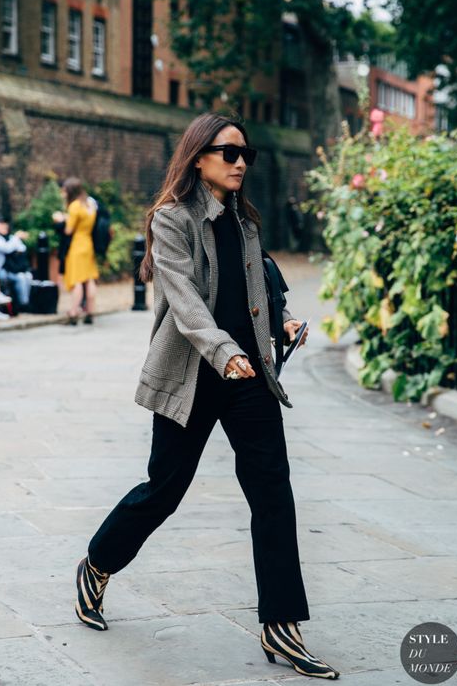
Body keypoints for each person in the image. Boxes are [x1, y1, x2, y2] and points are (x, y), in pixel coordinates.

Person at [75, 113, 340, 680]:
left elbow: (258, 283)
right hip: (195, 375)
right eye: (228, 152)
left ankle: (281, 624)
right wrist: (224, 352)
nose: (240, 162)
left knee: (273, 494)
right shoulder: (171, 220)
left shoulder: (244, 220)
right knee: (164, 491)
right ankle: (97, 565)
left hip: (251, 380)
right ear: (199, 157)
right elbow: (187, 300)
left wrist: (284, 318)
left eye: (245, 154)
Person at [52, 178, 98, 325]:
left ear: (70, 191)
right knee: (89, 279)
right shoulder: (89, 204)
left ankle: (73, 313)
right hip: (88, 244)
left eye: (64, 190)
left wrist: (60, 219)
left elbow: (68, 230)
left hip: (77, 246)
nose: (62, 193)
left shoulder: (74, 206)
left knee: (77, 280)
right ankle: (90, 312)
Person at [0, 216, 31, 312]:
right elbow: (6, 248)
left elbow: (22, 248)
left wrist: (16, 239)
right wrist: (17, 238)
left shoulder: (10, 237)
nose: (3, 226)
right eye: (0, 224)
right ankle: (19, 304)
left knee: (27, 276)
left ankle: (24, 304)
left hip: (10, 268)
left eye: (5, 224)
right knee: (19, 278)